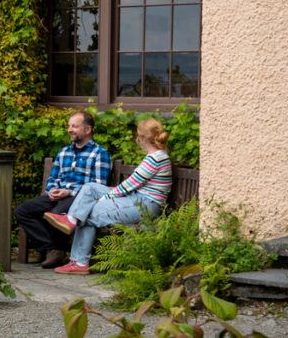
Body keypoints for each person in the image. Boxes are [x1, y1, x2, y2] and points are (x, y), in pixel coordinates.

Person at [47, 118, 172, 275]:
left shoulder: (155, 158)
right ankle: (71, 220)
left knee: (88, 213)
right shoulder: (157, 155)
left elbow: (129, 185)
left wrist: (106, 198)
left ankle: (79, 262)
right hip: (137, 198)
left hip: (145, 205)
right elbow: (132, 186)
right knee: (90, 188)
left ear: (140, 138)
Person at [15, 111, 112, 269]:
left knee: (58, 213)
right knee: (23, 211)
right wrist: (53, 189)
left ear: (87, 130)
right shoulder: (64, 152)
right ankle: (52, 249)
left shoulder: (100, 154)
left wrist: (69, 192)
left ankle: (54, 251)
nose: (69, 129)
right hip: (57, 196)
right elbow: (53, 178)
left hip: (80, 198)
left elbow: (98, 186)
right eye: (68, 126)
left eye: (74, 126)